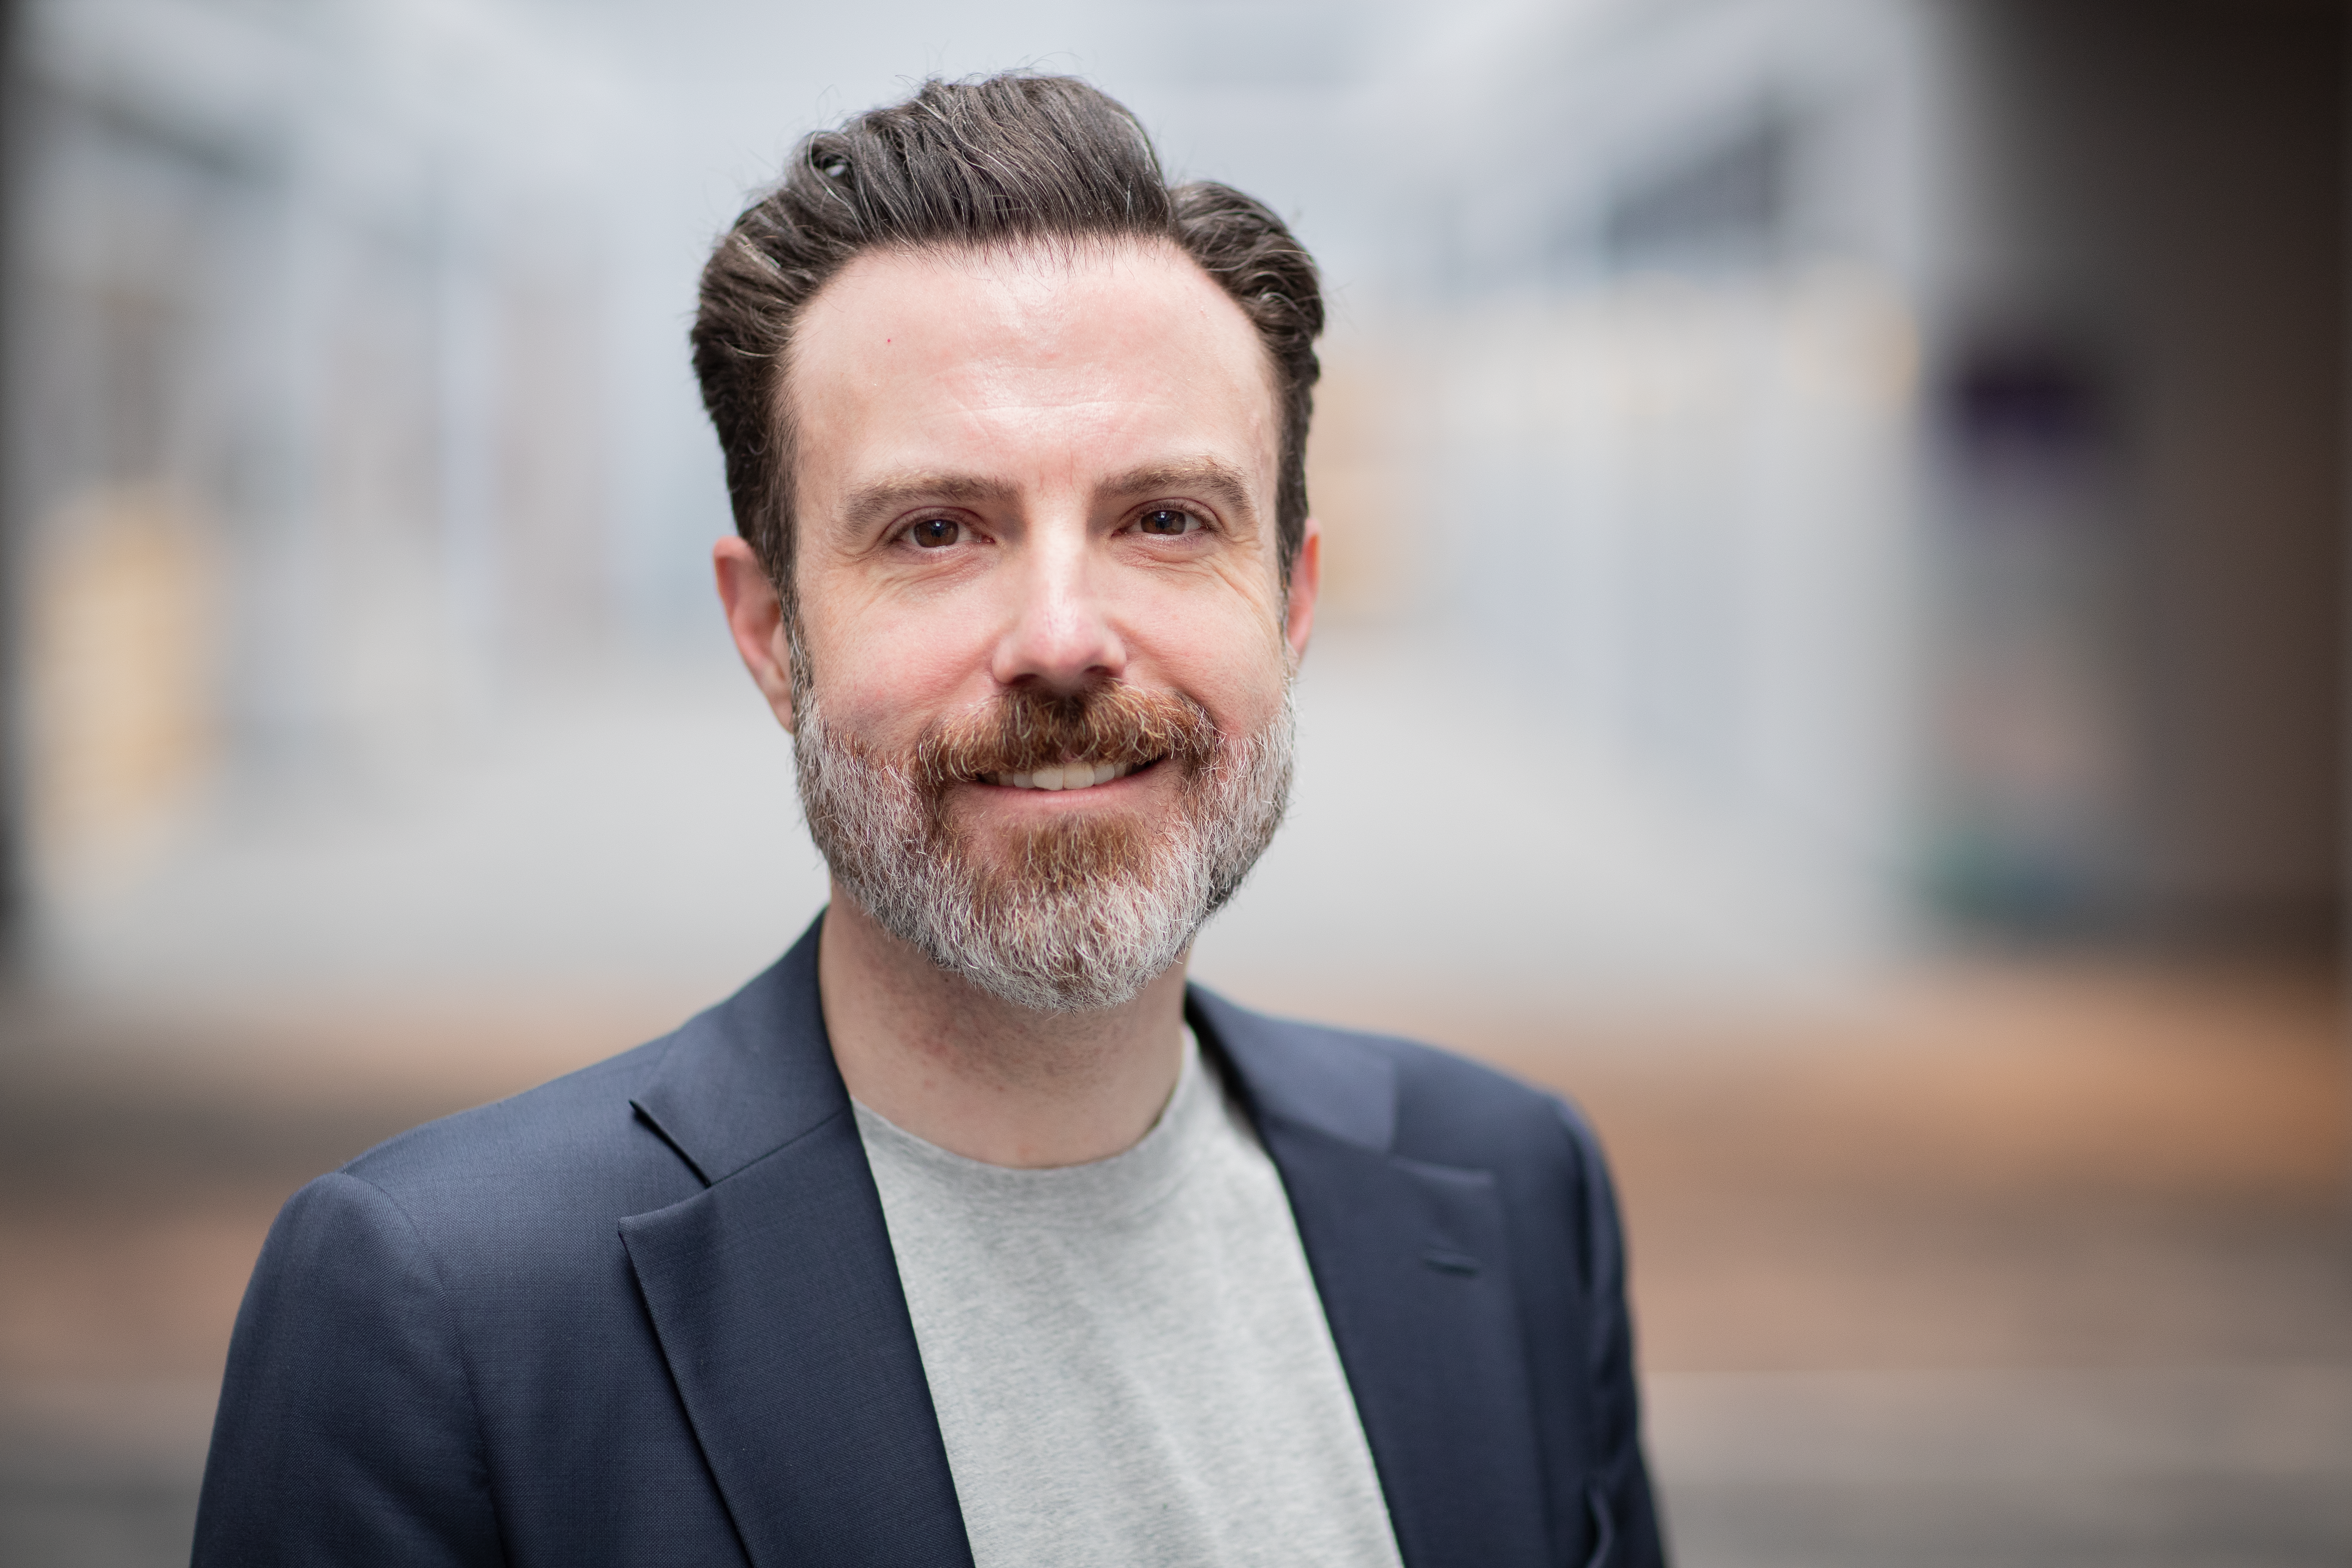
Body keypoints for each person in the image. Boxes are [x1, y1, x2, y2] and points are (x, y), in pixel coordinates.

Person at [193, 72, 1664, 1568]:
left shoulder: (1516, 1191)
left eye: (1166, 520)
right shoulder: (442, 1313)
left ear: (1289, 601)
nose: (1063, 636)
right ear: (772, 633)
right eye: (936, 531)